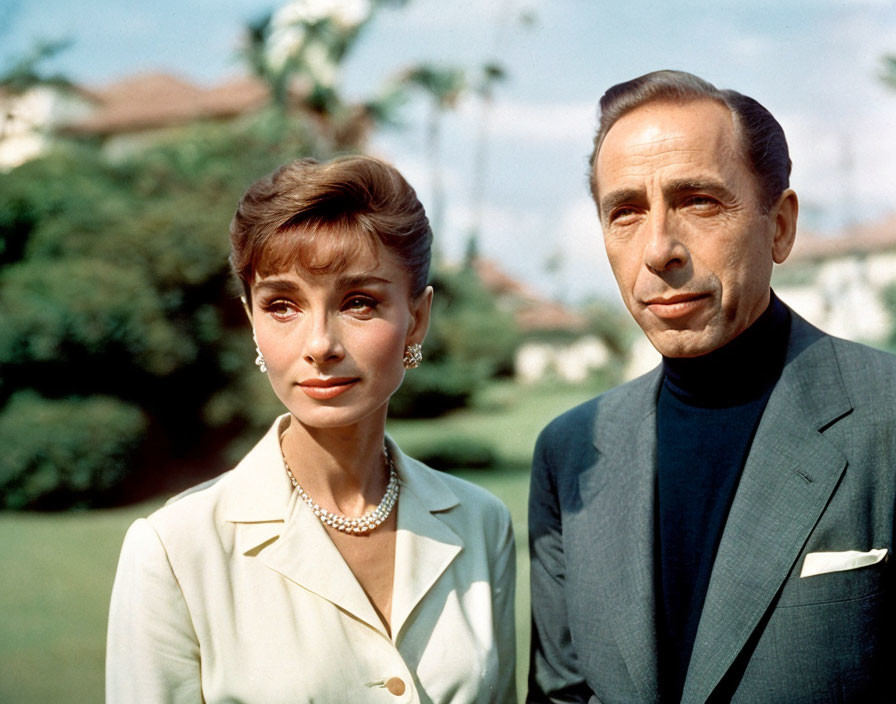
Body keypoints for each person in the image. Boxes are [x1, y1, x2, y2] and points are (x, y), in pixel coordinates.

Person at [527, 70, 895, 703]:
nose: (659, 249)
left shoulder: (884, 415)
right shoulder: (571, 452)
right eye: (626, 212)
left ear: (779, 226)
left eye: (698, 201)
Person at [107, 155, 516, 703]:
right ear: (252, 321)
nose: (319, 344)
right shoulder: (174, 551)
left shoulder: (482, 525)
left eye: (358, 302)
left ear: (416, 318)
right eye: (282, 305)